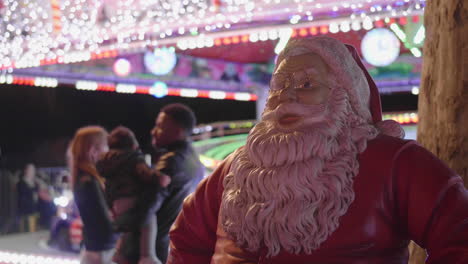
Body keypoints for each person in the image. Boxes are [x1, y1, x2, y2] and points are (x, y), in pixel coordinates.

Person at [167, 36, 468, 264]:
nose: (286, 96)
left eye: (307, 83)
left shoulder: (395, 162)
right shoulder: (236, 168)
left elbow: (458, 234)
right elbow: (186, 238)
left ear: (345, 98)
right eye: (278, 86)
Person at [96, 126, 171, 264]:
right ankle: (147, 255)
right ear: (132, 144)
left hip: (116, 203)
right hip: (132, 198)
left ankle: (118, 253)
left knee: (128, 228)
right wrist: (161, 178)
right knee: (148, 220)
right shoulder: (133, 158)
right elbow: (145, 173)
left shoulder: (106, 162)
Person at [150, 103, 205, 263]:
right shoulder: (195, 161)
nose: (153, 131)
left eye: (159, 126)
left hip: (154, 247)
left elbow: (147, 206)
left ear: (177, 132)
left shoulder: (171, 161)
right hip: (173, 245)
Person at [69, 126, 117, 264]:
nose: (109, 151)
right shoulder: (89, 182)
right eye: (106, 146)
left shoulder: (83, 178)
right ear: (92, 149)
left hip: (95, 249)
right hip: (103, 251)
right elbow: (103, 221)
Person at [16, 163, 40, 232]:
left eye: (33, 170)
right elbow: (23, 197)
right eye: (31, 170)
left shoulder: (35, 183)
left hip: (34, 209)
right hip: (25, 210)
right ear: (26, 171)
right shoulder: (21, 183)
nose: (33, 172)